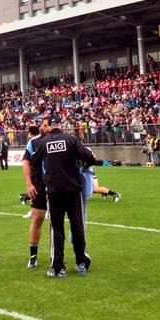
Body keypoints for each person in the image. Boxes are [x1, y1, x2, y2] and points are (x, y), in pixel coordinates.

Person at [29, 118, 96, 278]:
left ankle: (58, 267)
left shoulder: (44, 143)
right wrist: (81, 164)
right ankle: (81, 262)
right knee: (77, 227)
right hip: (73, 190)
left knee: (57, 230)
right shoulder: (71, 139)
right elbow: (89, 157)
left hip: (54, 191)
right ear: (61, 126)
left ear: (50, 128)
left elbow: (33, 161)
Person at [22, 119, 50, 268]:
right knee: (37, 219)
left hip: (58, 187)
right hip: (39, 186)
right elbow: (26, 162)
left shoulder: (64, 140)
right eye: (43, 125)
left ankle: (55, 255)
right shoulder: (33, 142)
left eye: (48, 124)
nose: (45, 127)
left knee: (56, 222)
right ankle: (33, 257)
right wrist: (29, 184)